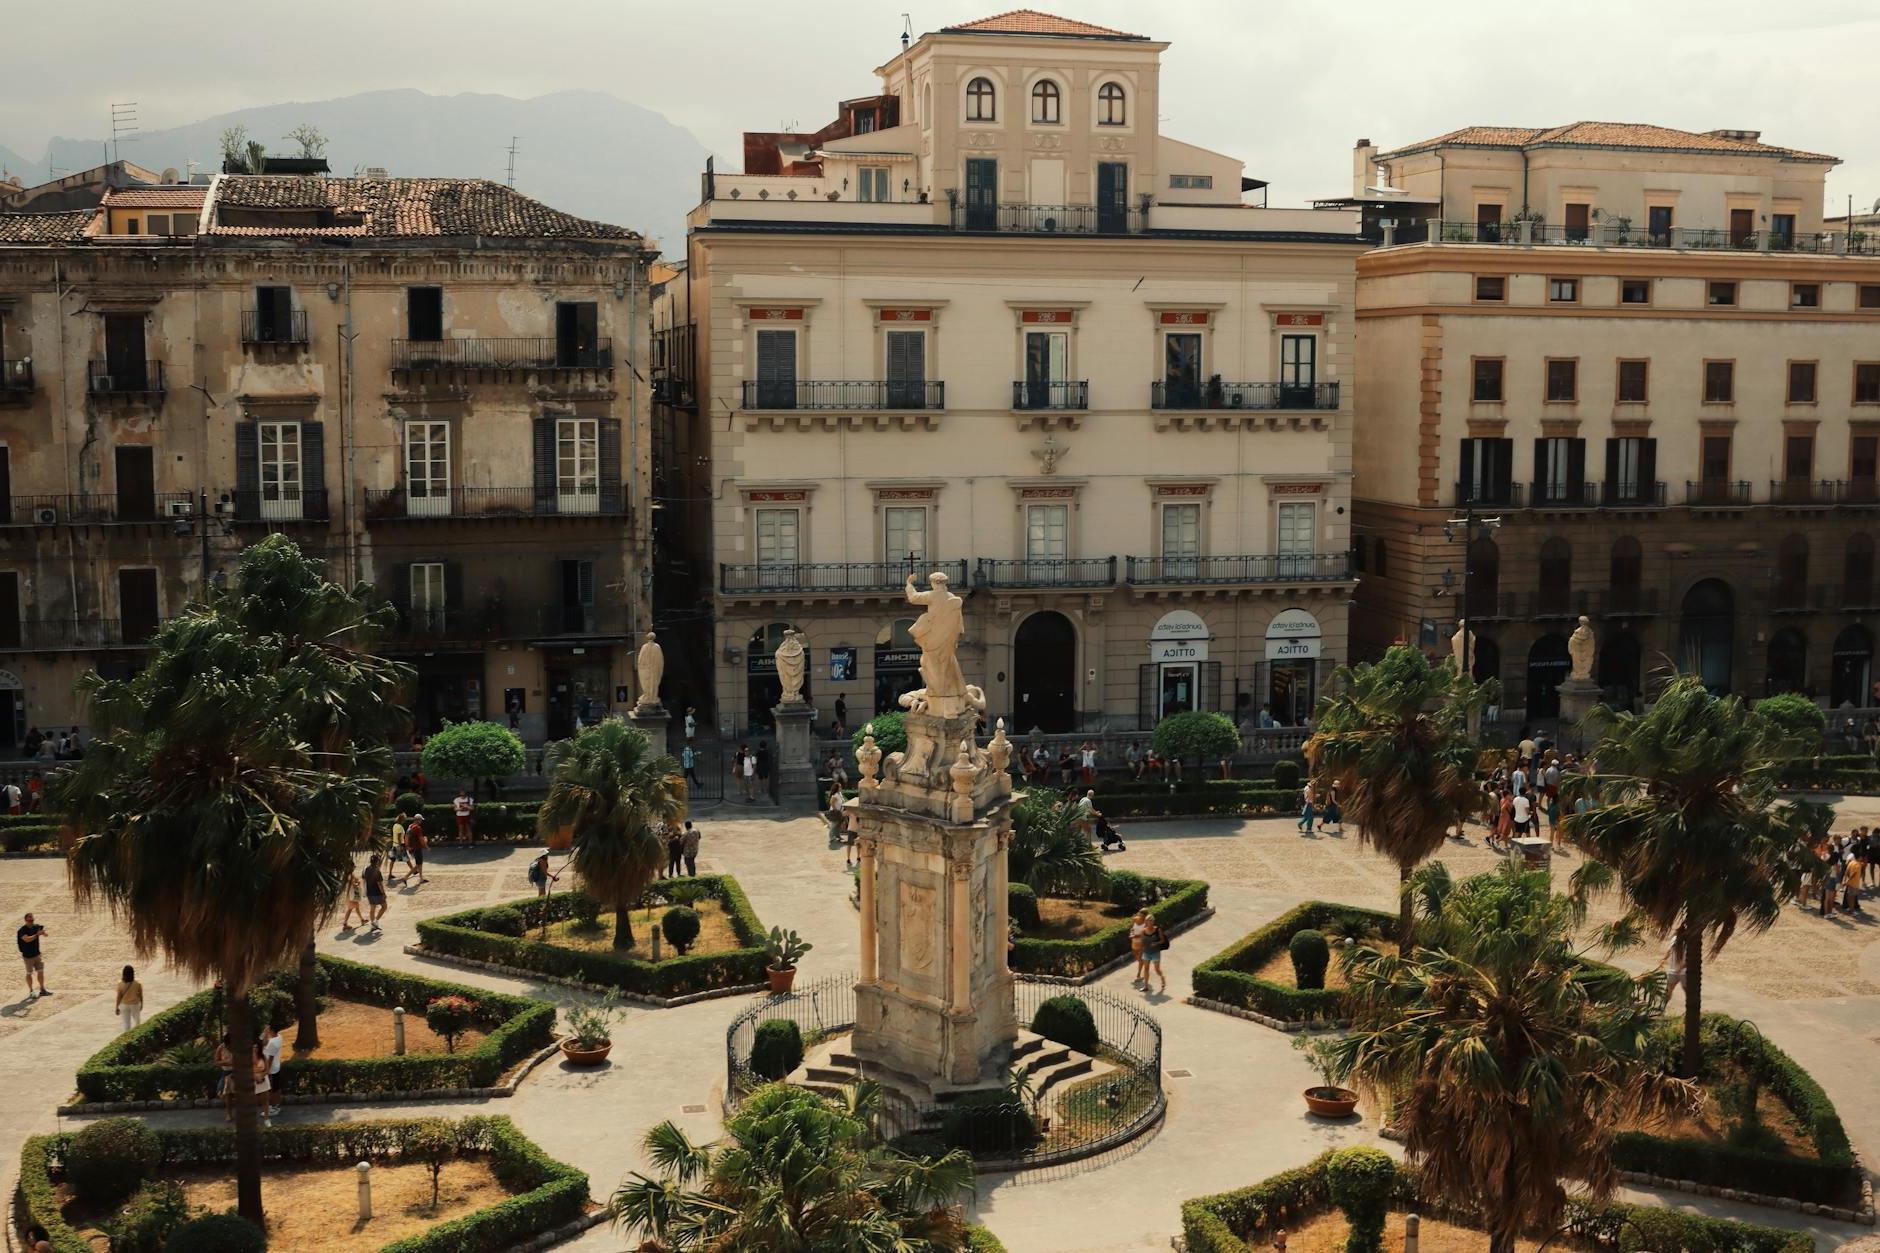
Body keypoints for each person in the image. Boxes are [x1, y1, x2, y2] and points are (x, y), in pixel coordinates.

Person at [17, 912, 47, 999]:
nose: (31, 921)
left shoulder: (36, 927)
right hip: (27, 956)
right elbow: (26, 939)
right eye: (29, 920)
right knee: (29, 973)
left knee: (40, 971)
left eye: (32, 920)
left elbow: (45, 935)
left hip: (37, 954)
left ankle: (42, 989)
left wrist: (43, 933)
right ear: (25, 920)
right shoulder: (21, 930)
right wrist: (37, 934)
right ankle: (31, 990)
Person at [1140, 916, 1168, 994]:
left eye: (1149, 921)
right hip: (1146, 952)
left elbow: (1162, 940)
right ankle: (1146, 986)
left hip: (1155, 952)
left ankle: (1162, 978)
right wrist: (1141, 949)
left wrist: (1156, 943)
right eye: (1146, 921)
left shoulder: (1157, 930)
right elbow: (1142, 942)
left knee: (1157, 969)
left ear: (1152, 922)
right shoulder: (1143, 931)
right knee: (1146, 969)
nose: (1147, 922)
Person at [262, 1023, 284, 1117]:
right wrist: (265, 1034)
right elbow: (263, 1042)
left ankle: (274, 1108)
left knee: (272, 1089)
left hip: (271, 1069)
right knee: (276, 1088)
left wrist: (266, 1071)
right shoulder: (279, 1037)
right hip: (276, 1067)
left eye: (267, 1029)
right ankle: (276, 1106)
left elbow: (270, 1059)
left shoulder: (272, 1043)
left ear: (271, 1031)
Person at [115, 965, 144, 1033]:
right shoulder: (137, 983)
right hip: (135, 1004)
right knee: (137, 1022)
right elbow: (140, 995)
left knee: (126, 1024)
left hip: (124, 1005)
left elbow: (119, 997)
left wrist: (116, 1007)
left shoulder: (120, 984)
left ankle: (127, 1039)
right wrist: (142, 1004)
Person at [363, 853, 388, 932]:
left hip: (369, 892)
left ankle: (373, 924)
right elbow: (380, 884)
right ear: (377, 862)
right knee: (384, 906)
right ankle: (376, 921)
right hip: (377, 893)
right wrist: (383, 893)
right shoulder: (377, 871)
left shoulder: (366, 869)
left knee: (372, 909)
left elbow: (364, 880)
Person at [215, 1032, 237, 1122]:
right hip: (227, 1072)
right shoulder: (221, 1048)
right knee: (225, 1093)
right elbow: (216, 1062)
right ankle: (229, 1114)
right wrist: (227, 1062)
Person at [339, 863, 366, 931]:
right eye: (353, 866)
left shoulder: (348, 875)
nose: (354, 867)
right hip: (351, 894)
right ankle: (345, 924)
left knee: (355, 908)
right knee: (351, 909)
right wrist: (357, 883)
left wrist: (357, 881)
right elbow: (353, 884)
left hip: (349, 894)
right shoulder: (350, 875)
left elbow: (355, 880)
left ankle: (362, 920)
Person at [251, 1041, 273, 1127]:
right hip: (252, 1080)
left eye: (256, 1047)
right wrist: (254, 1076)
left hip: (263, 1079)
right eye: (253, 1047)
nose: (255, 1049)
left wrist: (261, 1076)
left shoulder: (263, 1057)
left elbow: (267, 1070)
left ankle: (267, 1119)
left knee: (265, 1100)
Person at [1129, 910, 1151, 988]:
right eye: (1140, 914)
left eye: (1142, 915)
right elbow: (1132, 928)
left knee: (1140, 958)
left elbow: (1144, 934)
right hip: (1134, 941)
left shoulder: (1146, 923)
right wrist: (1131, 933)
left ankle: (1139, 974)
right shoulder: (1135, 919)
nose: (1140, 916)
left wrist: (1135, 936)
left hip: (1142, 943)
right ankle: (1145, 966)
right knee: (1137, 958)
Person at [407, 815, 430, 887]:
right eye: (421, 820)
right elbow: (421, 839)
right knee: (418, 864)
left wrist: (408, 846)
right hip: (417, 847)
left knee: (419, 863)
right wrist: (426, 846)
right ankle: (405, 877)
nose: (421, 821)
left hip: (413, 847)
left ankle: (421, 878)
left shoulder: (410, 826)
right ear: (418, 820)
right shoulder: (418, 828)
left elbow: (407, 837)